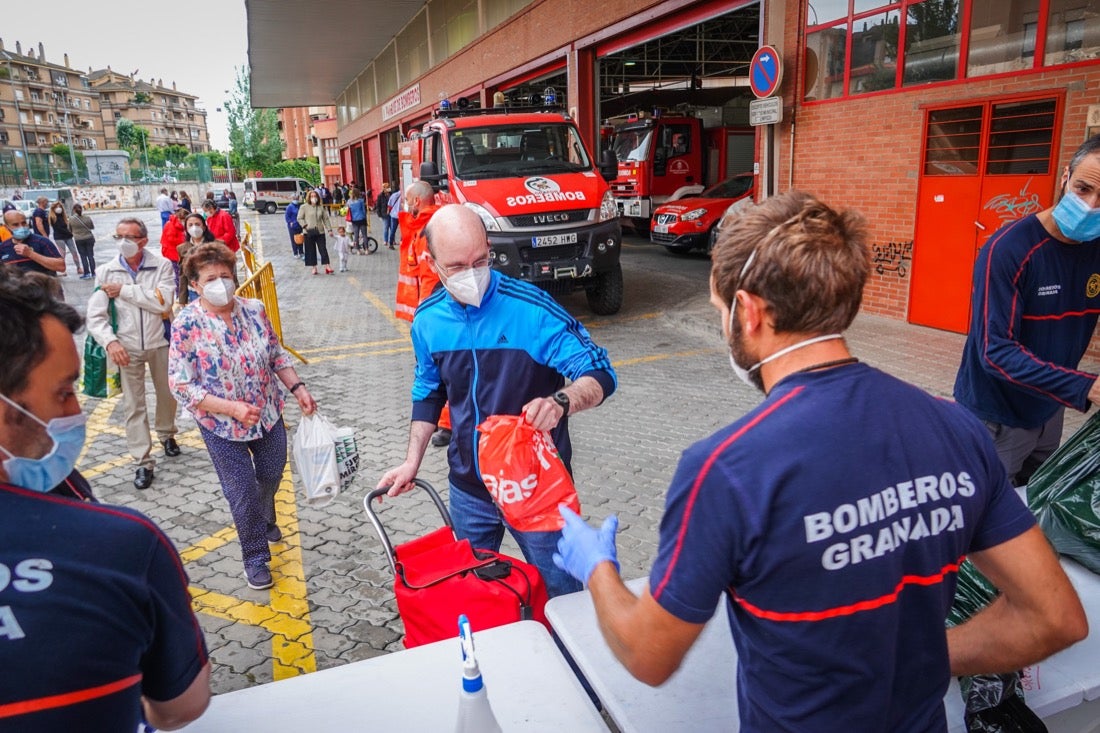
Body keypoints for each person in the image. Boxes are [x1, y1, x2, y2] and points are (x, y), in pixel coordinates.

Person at [552, 191, 1087, 731]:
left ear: (750, 311)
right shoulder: (956, 428)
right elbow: (1055, 617)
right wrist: (921, 657)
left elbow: (649, 655)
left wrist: (596, 569)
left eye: (721, 309)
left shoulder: (726, 469)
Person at [0, 264, 211, 729]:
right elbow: (179, 708)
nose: (77, 411)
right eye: (64, 392)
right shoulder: (122, 546)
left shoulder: (71, 491)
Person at [377, 204, 617, 599]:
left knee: (564, 595)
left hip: (536, 490)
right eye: (456, 266)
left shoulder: (533, 310)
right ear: (432, 262)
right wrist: (411, 461)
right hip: (469, 490)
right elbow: (428, 390)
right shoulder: (428, 321)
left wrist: (562, 400)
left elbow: (600, 373)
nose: (471, 274)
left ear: (490, 249)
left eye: (480, 260)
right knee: (477, 593)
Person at [169, 242, 317, 590]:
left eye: (226, 275)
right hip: (219, 425)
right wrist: (229, 408)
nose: (221, 283)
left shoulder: (254, 309)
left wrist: (298, 389)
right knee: (241, 492)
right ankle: (255, 556)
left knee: (270, 472)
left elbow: (275, 354)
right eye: (211, 278)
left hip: (267, 413)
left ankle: (266, 516)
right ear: (195, 284)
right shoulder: (186, 324)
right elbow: (179, 383)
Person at [955, 134, 1100, 488]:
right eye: (1083, 189)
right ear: (1065, 177)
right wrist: (1088, 387)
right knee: (987, 522)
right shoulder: (1009, 250)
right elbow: (995, 352)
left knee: (1036, 503)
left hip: (1050, 408)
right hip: (996, 416)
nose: (1091, 206)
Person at [85, 218, 181, 491]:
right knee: (133, 405)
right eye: (118, 236)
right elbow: (96, 315)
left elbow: (162, 302)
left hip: (160, 341)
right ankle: (142, 461)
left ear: (143, 240)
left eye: (129, 236)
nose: (123, 242)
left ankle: (167, 434)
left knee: (167, 394)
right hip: (125, 347)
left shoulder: (160, 265)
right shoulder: (106, 271)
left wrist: (124, 291)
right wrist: (110, 342)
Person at [395, 181, 440, 323]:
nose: (406, 205)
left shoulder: (425, 229)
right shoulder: (429, 223)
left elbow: (430, 275)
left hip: (430, 304)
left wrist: (424, 308)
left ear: (416, 201)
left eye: (408, 200)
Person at [0, 209, 66, 276]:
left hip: (43, 285)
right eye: (15, 225)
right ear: (6, 227)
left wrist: (30, 254)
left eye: (23, 223)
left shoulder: (41, 242)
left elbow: (61, 266)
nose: (21, 227)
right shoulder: (3, 248)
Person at [297, 189, 333, 275]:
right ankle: (314, 267)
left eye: (315, 196)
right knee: (310, 250)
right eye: (312, 196)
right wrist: (305, 226)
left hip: (320, 231)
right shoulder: (304, 207)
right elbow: (299, 218)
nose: (314, 198)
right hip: (308, 231)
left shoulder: (321, 207)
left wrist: (329, 229)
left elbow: (326, 219)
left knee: (323, 249)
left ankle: (327, 266)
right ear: (309, 198)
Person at [49, 202, 82, 276]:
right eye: (56, 207)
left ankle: (78, 268)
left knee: (74, 252)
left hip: (68, 237)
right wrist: (70, 233)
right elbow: (58, 228)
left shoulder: (63, 216)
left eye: (60, 206)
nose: (58, 208)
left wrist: (70, 232)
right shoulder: (53, 217)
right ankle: (62, 270)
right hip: (59, 237)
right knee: (62, 254)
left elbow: (67, 226)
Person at [69, 203, 96, 280]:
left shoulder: (71, 219)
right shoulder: (87, 218)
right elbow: (92, 227)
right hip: (89, 238)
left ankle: (86, 273)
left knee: (83, 256)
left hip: (79, 239)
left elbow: (69, 229)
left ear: (74, 210)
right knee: (91, 256)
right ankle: (93, 272)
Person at [346, 187, 369, 253]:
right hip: (362, 219)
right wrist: (365, 219)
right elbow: (364, 211)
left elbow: (347, 209)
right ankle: (366, 249)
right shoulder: (361, 200)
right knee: (364, 235)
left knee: (356, 235)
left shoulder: (349, 202)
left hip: (354, 220)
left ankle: (358, 250)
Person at [376, 183, 394, 249]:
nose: (388, 188)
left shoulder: (391, 194)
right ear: (384, 188)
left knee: (392, 227)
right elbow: (378, 205)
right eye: (387, 187)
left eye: (389, 187)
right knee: (386, 227)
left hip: (392, 213)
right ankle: (385, 240)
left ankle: (392, 240)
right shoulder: (380, 196)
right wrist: (379, 215)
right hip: (384, 214)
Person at [285, 194, 304, 259]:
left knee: (300, 239)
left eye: (297, 198)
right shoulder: (289, 207)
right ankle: (295, 252)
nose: (296, 200)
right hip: (293, 226)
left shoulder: (300, 206)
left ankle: (301, 252)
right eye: (295, 198)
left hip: (299, 225)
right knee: (294, 240)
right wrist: (290, 222)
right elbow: (287, 216)